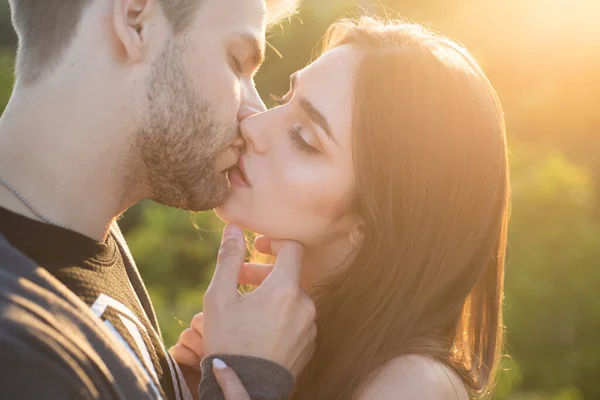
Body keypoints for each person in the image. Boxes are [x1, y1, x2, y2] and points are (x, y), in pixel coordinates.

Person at [174, 16, 510, 399]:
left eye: (304, 138)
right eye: (284, 101)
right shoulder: (281, 348)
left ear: (373, 222)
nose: (253, 126)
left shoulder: (413, 386)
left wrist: (248, 381)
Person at [0, 0, 316, 399]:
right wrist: (250, 383)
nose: (254, 112)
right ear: (136, 21)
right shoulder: (17, 356)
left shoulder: (85, 230)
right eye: (237, 62)